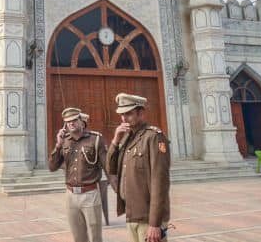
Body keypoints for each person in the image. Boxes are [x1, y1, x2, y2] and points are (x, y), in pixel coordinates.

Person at [106, 93, 170, 242]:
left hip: (148, 218)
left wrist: (155, 224)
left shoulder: (153, 137)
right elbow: (111, 168)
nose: (123, 118)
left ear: (141, 113)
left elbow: (160, 183)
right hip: (132, 213)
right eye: (122, 114)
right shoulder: (128, 137)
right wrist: (116, 140)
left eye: (128, 113)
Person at [48, 107, 108, 242]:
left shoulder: (95, 139)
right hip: (70, 196)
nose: (71, 123)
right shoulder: (64, 141)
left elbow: (108, 167)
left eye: (74, 120)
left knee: (95, 237)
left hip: (90, 194)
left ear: (82, 122)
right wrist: (58, 145)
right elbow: (52, 167)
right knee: (78, 237)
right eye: (68, 121)